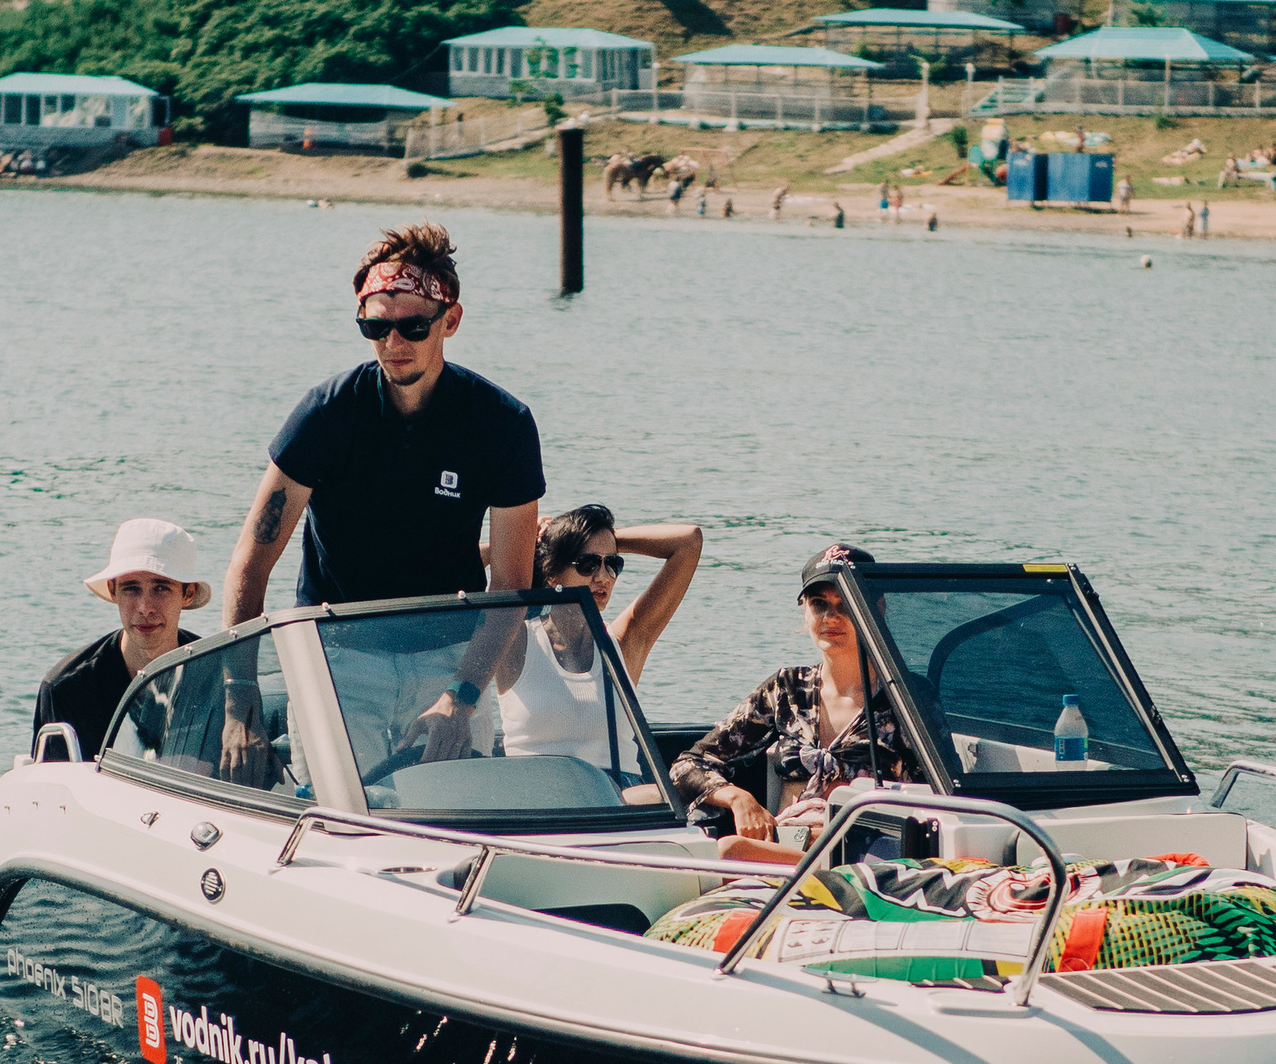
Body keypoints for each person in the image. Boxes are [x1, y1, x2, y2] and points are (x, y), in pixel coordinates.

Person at [223, 223, 543, 758]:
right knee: (341, 825)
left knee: (459, 823)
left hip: (450, 661)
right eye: (374, 327)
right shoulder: (325, 414)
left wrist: (461, 698)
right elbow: (251, 563)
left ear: (452, 320)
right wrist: (240, 702)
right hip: (338, 657)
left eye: (414, 327)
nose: (392, 344)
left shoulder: (503, 424)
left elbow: (512, 583)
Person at [670, 544, 921, 843]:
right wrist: (739, 800)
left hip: (869, 849)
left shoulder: (906, 696)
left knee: (730, 851)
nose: (831, 617)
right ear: (805, 610)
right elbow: (688, 765)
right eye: (819, 603)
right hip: (787, 846)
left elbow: (938, 794)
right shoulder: (788, 689)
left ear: (877, 607)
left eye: (847, 604)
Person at [498, 505, 703, 756]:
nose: (604, 577)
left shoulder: (624, 643)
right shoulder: (514, 640)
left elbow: (689, 542)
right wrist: (534, 543)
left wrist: (606, 539)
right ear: (552, 571)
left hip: (616, 792)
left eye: (612, 563)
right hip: (539, 789)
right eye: (589, 564)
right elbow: (452, 569)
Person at [34, 517, 210, 760]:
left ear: (188, 593)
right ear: (114, 590)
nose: (145, 607)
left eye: (161, 588)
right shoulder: (67, 689)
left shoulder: (216, 676)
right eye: (131, 588)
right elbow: (55, 790)